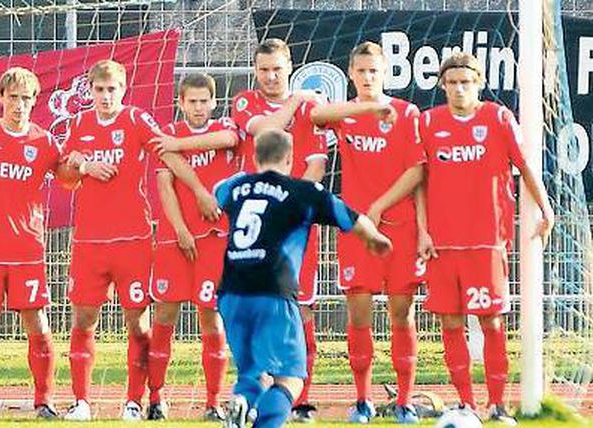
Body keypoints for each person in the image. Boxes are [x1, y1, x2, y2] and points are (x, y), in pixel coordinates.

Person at [59, 59, 216, 422]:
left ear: (123, 90)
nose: (105, 96)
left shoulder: (135, 120)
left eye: (111, 89)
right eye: (99, 90)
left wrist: (196, 188)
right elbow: (65, 176)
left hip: (133, 239)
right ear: (90, 91)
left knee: (138, 322)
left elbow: (168, 152)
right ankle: (81, 402)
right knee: (83, 318)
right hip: (89, 240)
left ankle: (133, 400)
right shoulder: (79, 124)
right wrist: (82, 167)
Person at [214, 129, 392, 428]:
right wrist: (376, 240)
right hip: (273, 291)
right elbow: (353, 218)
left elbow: (217, 194)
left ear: (256, 158)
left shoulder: (235, 187)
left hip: (231, 293)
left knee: (253, 372)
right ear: (290, 160)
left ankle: (243, 400)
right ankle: (260, 418)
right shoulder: (303, 192)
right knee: (292, 377)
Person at [418, 52, 554, 425]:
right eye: (452, 83)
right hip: (443, 244)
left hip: (486, 242)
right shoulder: (429, 122)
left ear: (478, 83)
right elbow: (420, 180)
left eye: (466, 82)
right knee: (450, 324)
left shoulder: (498, 118)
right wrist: (423, 230)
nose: (459, 89)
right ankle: (466, 404)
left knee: (492, 322)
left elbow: (525, 166)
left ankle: (497, 405)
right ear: (442, 85)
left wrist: (546, 208)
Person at [309, 41, 426, 424]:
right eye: (361, 72)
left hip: (399, 228)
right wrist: (366, 106)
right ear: (351, 74)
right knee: (358, 314)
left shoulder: (407, 114)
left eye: (374, 71)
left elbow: (417, 171)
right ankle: (363, 401)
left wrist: (378, 206)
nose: (368, 77)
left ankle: (405, 401)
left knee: (401, 312)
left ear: (385, 73)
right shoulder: (348, 114)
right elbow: (317, 115)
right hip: (355, 231)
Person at [0, 67, 74, 420]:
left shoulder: (43, 141)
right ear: (1, 98)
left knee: (36, 320)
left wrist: (79, 164)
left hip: (26, 249)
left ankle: (45, 401)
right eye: (13, 97)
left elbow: (67, 178)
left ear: (35, 102)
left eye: (26, 99)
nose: (19, 105)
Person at [230, 38, 327, 422]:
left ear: (289, 67)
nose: (271, 77)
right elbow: (267, 128)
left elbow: (317, 166)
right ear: (256, 71)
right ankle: (256, 397)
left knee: (300, 311)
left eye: (277, 69)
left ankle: (300, 400)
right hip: (255, 234)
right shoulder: (245, 102)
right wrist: (298, 98)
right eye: (264, 70)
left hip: (295, 234)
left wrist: (289, 212)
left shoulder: (312, 112)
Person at [145, 72, 238, 421]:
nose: (198, 108)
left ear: (214, 102)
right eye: (191, 102)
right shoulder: (168, 134)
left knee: (211, 319)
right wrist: (181, 228)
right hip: (175, 240)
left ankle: (213, 402)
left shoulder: (224, 128)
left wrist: (177, 147)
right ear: (181, 103)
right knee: (165, 315)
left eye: (204, 101)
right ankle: (155, 398)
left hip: (215, 240)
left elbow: (228, 138)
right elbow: (165, 185)